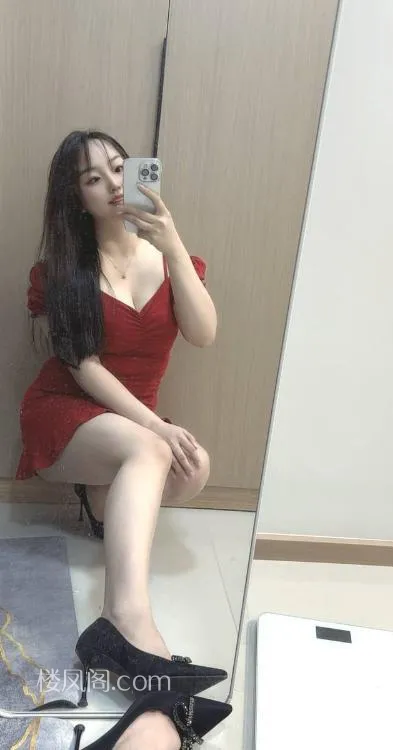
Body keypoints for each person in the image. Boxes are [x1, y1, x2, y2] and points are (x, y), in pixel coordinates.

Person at [15, 130, 229, 745]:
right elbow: (83, 367)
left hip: (132, 427)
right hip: (65, 411)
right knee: (155, 449)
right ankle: (125, 617)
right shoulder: (61, 272)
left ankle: (102, 501)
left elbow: (205, 334)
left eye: (118, 168)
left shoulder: (169, 257)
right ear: (76, 197)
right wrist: (155, 426)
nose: (112, 184)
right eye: (93, 178)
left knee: (195, 469)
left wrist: (173, 242)